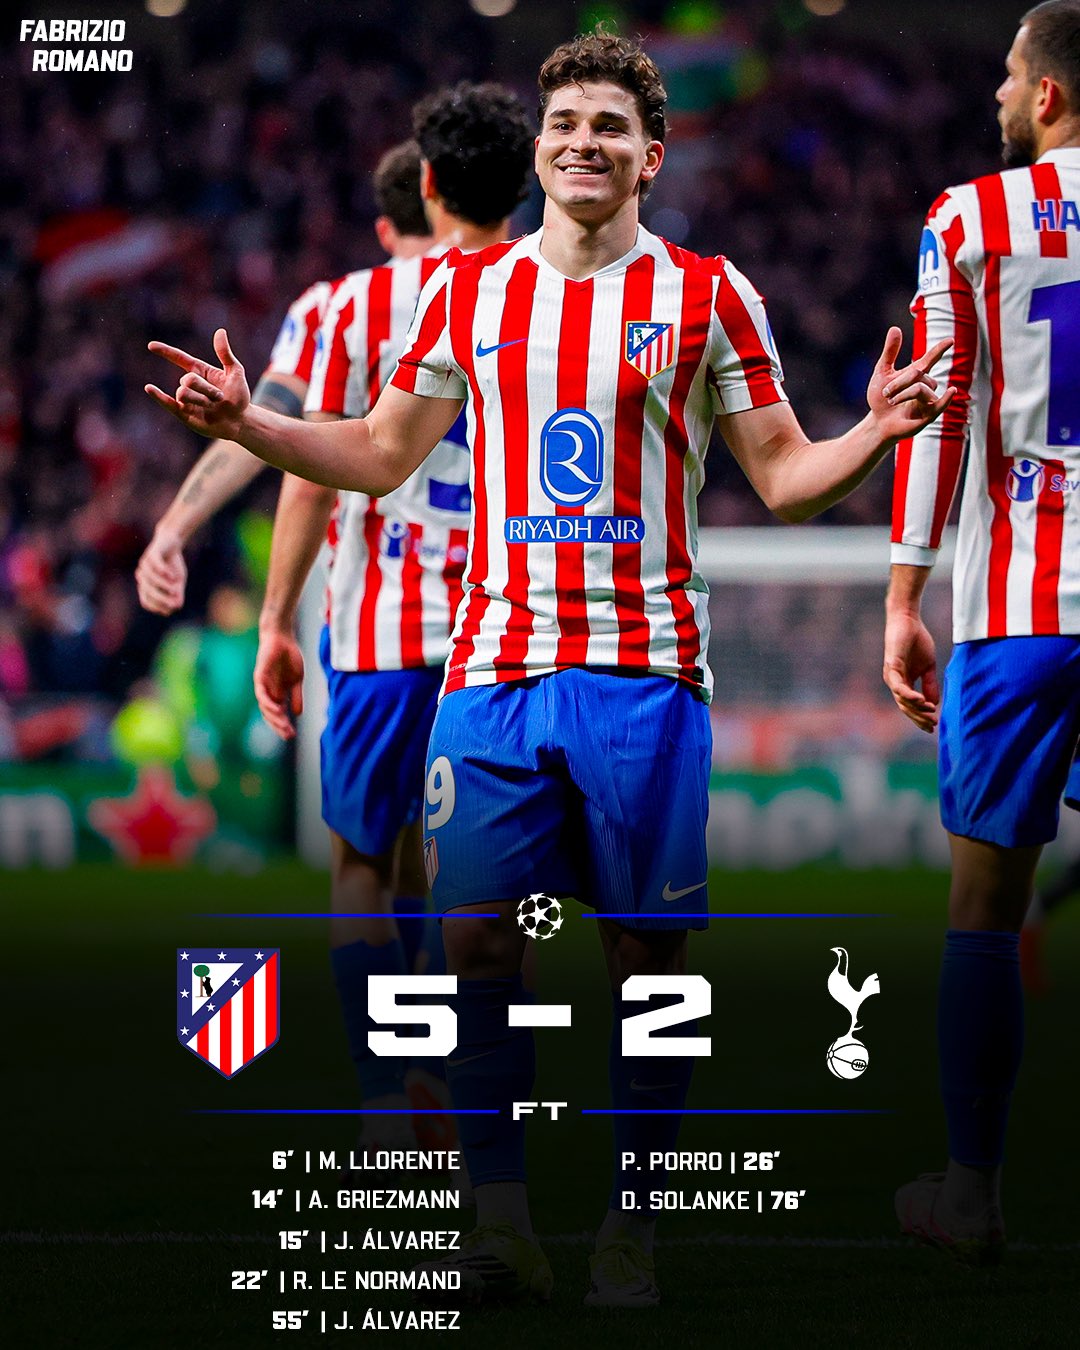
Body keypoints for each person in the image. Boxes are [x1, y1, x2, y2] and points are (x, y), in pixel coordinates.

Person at [146, 30, 952, 1309]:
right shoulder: (467, 294)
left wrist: (876, 431)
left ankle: (633, 1225)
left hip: (645, 674)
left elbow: (786, 478)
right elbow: (377, 451)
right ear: (537, 149)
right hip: (492, 673)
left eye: (610, 127)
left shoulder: (709, 293)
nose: (585, 142)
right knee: (474, 946)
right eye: (566, 122)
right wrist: (249, 422)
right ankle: (502, 1221)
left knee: (650, 962)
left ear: (652, 156)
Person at [252, 83, 533, 1152]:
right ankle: (468, 1095)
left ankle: (386, 1098)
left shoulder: (350, 306)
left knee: (366, 865)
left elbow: (310, 469)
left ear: (427, 183)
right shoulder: (550, 294)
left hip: (377, 631)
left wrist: (277, 618)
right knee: (484, 884)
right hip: (504, 636)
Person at [884, 0, 1080, 1267]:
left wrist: (904, 595)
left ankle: (971, 1194)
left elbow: (939, 414)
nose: (1000, 95)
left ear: (1049, 95)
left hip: (1021, 611)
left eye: (1012, 77)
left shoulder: (973, 217)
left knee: (985, 904)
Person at [134, 140, 432, 617]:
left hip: (375, 606)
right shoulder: (508, 296)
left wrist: (173, 529)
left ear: (383, 230)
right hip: (497, 599)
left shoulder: (330, 307)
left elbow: (256, 421)